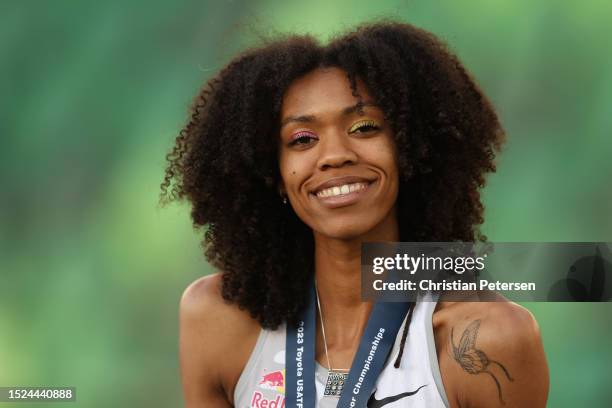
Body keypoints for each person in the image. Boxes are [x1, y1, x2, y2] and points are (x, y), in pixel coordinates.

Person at [161, 21, 549, 408]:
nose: (334, 155)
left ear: (411, 150)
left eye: (364, 127)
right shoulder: (217, 319)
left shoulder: (489, 338)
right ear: (273, 174)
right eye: (302, 139)